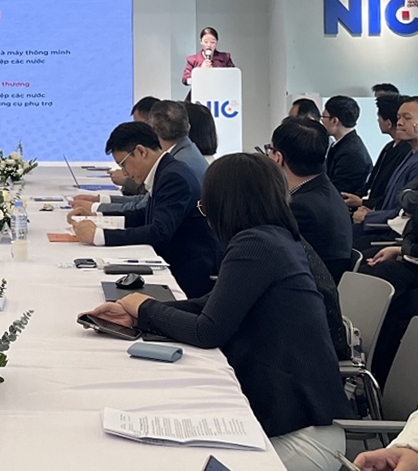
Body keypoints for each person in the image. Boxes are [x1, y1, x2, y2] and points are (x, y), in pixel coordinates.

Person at [86, 154, 352, 471]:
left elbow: (207, 330)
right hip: (300, 421)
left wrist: (145, 307)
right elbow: (212, 303)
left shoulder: (255, 244)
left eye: (206, 206)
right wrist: (138, 312)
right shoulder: (275, 237)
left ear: (225, 205)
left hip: (303, 437)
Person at [66, 122, 220, 298]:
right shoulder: (166, 169)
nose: (125, 173)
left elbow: (159, 232)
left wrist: (99, 236)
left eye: (123, 164)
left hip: (191, 273)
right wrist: (98, 217)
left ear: (141, 151)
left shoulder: (173, 176)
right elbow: (144, 214)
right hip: (182, 261)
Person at [74, 101, 208, 215]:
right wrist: (100, 200)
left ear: (151, 130)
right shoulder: (185, 152)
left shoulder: (178, 164)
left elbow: (144, 208)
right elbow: (145, 201)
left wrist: (96, 208)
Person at [269, 118, 353, 282]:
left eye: (269, 149)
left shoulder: (300, 207)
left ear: (278, 158)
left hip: (309, 290)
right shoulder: (323, 190)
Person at [363, 185, 418, 385]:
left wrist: (405, 251)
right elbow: (408, 196)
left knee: (389, 288)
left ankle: (372, 374)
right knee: (372, 268)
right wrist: (400, 250)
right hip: (410, 257)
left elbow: (411, 200)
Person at [353, 97, 418, 231]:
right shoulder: (409, 154)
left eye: (407, 118)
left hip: (395, 232)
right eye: (398, 117)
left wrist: (370, 216)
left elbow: (405, 212)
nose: (399, 123)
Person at [344, 95, 412, 213]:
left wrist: (363, 203)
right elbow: (372, 181)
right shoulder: (389, 147)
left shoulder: (406, 152)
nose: (377, 120)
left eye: (379, 117)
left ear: (388, 123)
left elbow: (392, 195)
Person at [109, 97, 161, 196]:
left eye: (139, 123)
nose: (138, 128)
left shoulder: (170, 173)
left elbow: (144, 199)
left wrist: (126, 181)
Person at [323, 96, 373, 197]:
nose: (322, 121)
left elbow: (337, 191)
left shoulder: (351, 153)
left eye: (324, 117)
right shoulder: (343, 144)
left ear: (334, 121)